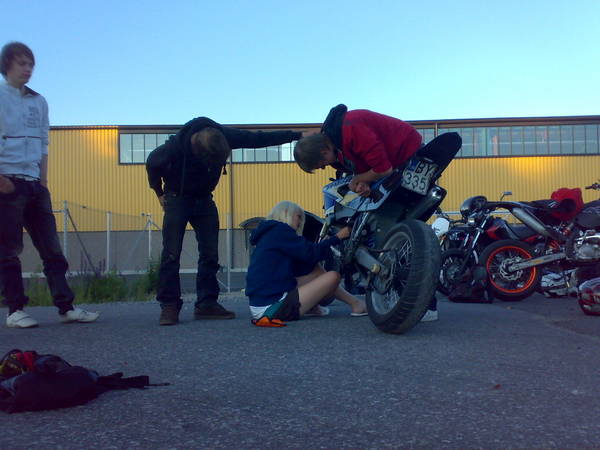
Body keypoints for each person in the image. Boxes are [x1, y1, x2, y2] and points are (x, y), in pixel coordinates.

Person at [294, 104, 463, 322]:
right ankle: (420, 302)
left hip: (404, 159)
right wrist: (364, 182)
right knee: (397, 231)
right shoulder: (341, 141)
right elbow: (367, 167)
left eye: (321, 164)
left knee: (391, 232)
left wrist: (360, 179)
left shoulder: (350, 130)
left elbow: (383, 169)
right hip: (406, 162)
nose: (325, 167)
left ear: (323, 152)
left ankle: (422, 302)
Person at [146, 119, 310, 326]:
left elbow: (258, 138)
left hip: (204, 199)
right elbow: (152, 165)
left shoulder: (224, 135)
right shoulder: (171, 150)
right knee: (171, 253)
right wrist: (159, 193)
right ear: (197, 150)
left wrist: (297, 135)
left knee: (210, 254)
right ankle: (169, 305)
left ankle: (206, 304)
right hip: (177, 198)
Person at [0, 42, 99, 328]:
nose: (28, 69)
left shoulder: (39, 101)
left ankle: (66, 307)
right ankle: (15, 310)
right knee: (9, 250)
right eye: (22, 63)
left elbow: (44, 142)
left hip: (35, 185)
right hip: (8, 182)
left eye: (31, 64)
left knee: (52, 249)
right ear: (7, 65)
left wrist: (43, 181)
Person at [245, 201, 367, 326]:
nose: (300, 222)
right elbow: (310, 253)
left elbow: (306, 261)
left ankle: (319, 307)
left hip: (262, 303)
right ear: (286, 213)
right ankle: (356, 304)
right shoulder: (280, 231)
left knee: (316, 271)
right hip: (271, 309)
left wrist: (323, 245)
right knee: (333, 276)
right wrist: (337, 237)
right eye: (298, 217)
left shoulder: (269, 233)